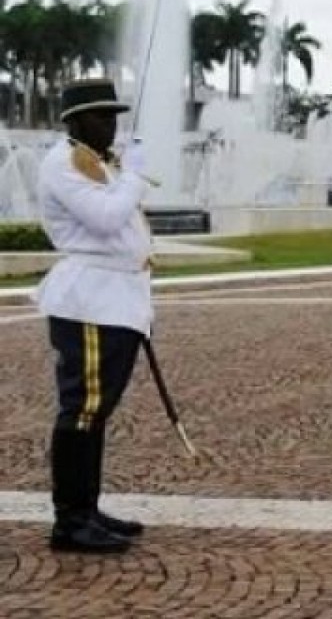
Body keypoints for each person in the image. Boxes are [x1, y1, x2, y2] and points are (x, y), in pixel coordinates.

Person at [32, 79, 154, 554]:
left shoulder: (99, 163)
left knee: (95, 411)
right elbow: (105, 218)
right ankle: (70, 521)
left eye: (114, 116)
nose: (112, 125)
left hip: (114, 300)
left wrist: (126, 175)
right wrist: (135, 177)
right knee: (81, 409)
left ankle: (88, 508)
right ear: (76, 121)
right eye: (101, 117)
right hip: (89, 302)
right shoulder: (63, 164)